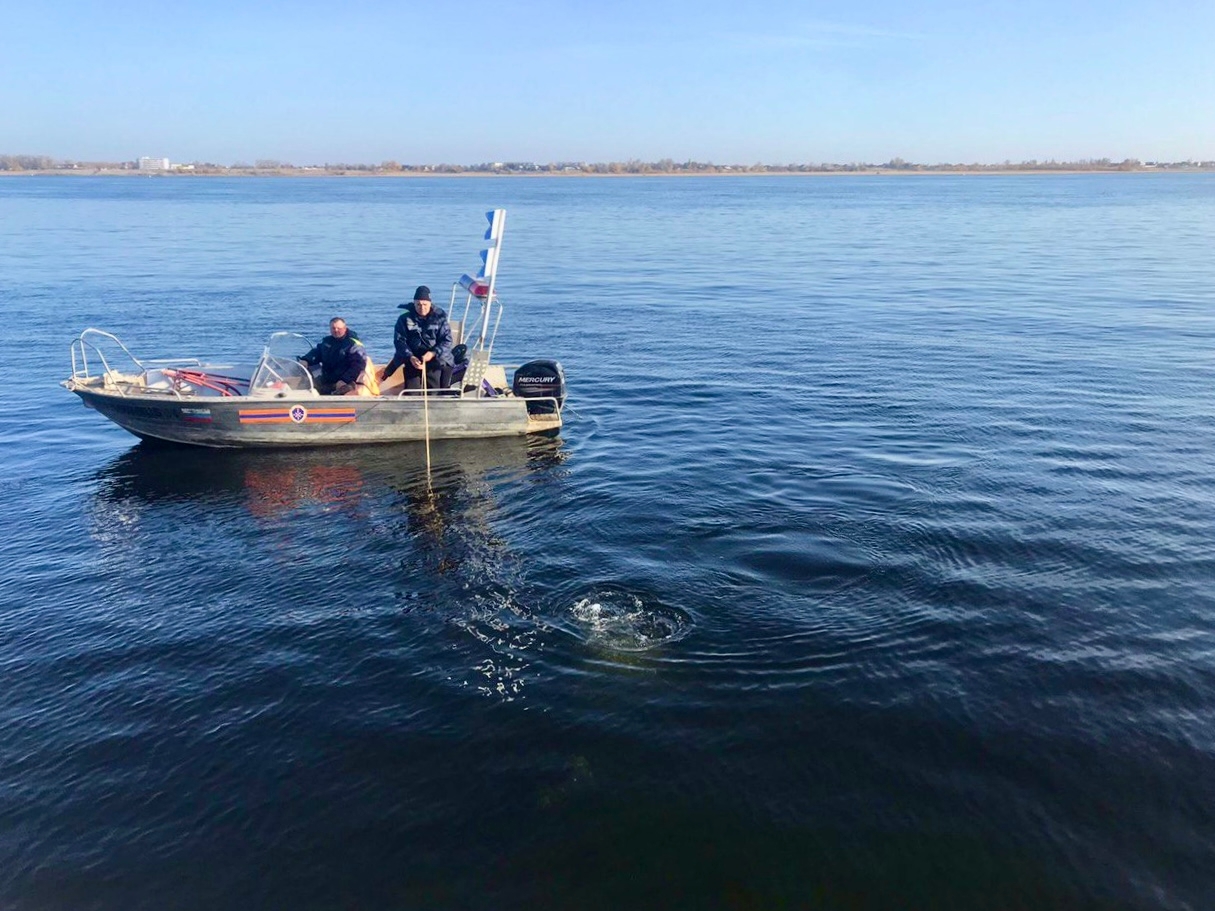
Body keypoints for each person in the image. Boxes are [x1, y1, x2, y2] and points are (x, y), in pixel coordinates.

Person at [379, 285, 454, 393]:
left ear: (430, 303)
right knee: (411, 392)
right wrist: (411, 357)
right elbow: (400, 341)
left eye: (425, 304)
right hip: (413, 358)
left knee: (433, 391)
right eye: (418, 304)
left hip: (434, 359)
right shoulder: (404, 319)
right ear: (414, 303)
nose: (422, 307)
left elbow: (447, 341)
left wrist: (432, 353)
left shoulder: (440, 318)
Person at [300, 317, 377, 395]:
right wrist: (306, 360)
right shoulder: (327, 341)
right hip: (328, 378)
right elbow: (317, 352)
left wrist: (345, 380)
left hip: (345, 381)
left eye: (339, 328)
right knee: (307, 379)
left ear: (345, 328)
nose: (336, 330)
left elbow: (358, 365)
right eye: (333, 328)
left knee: (343, 389)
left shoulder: (353, 344)